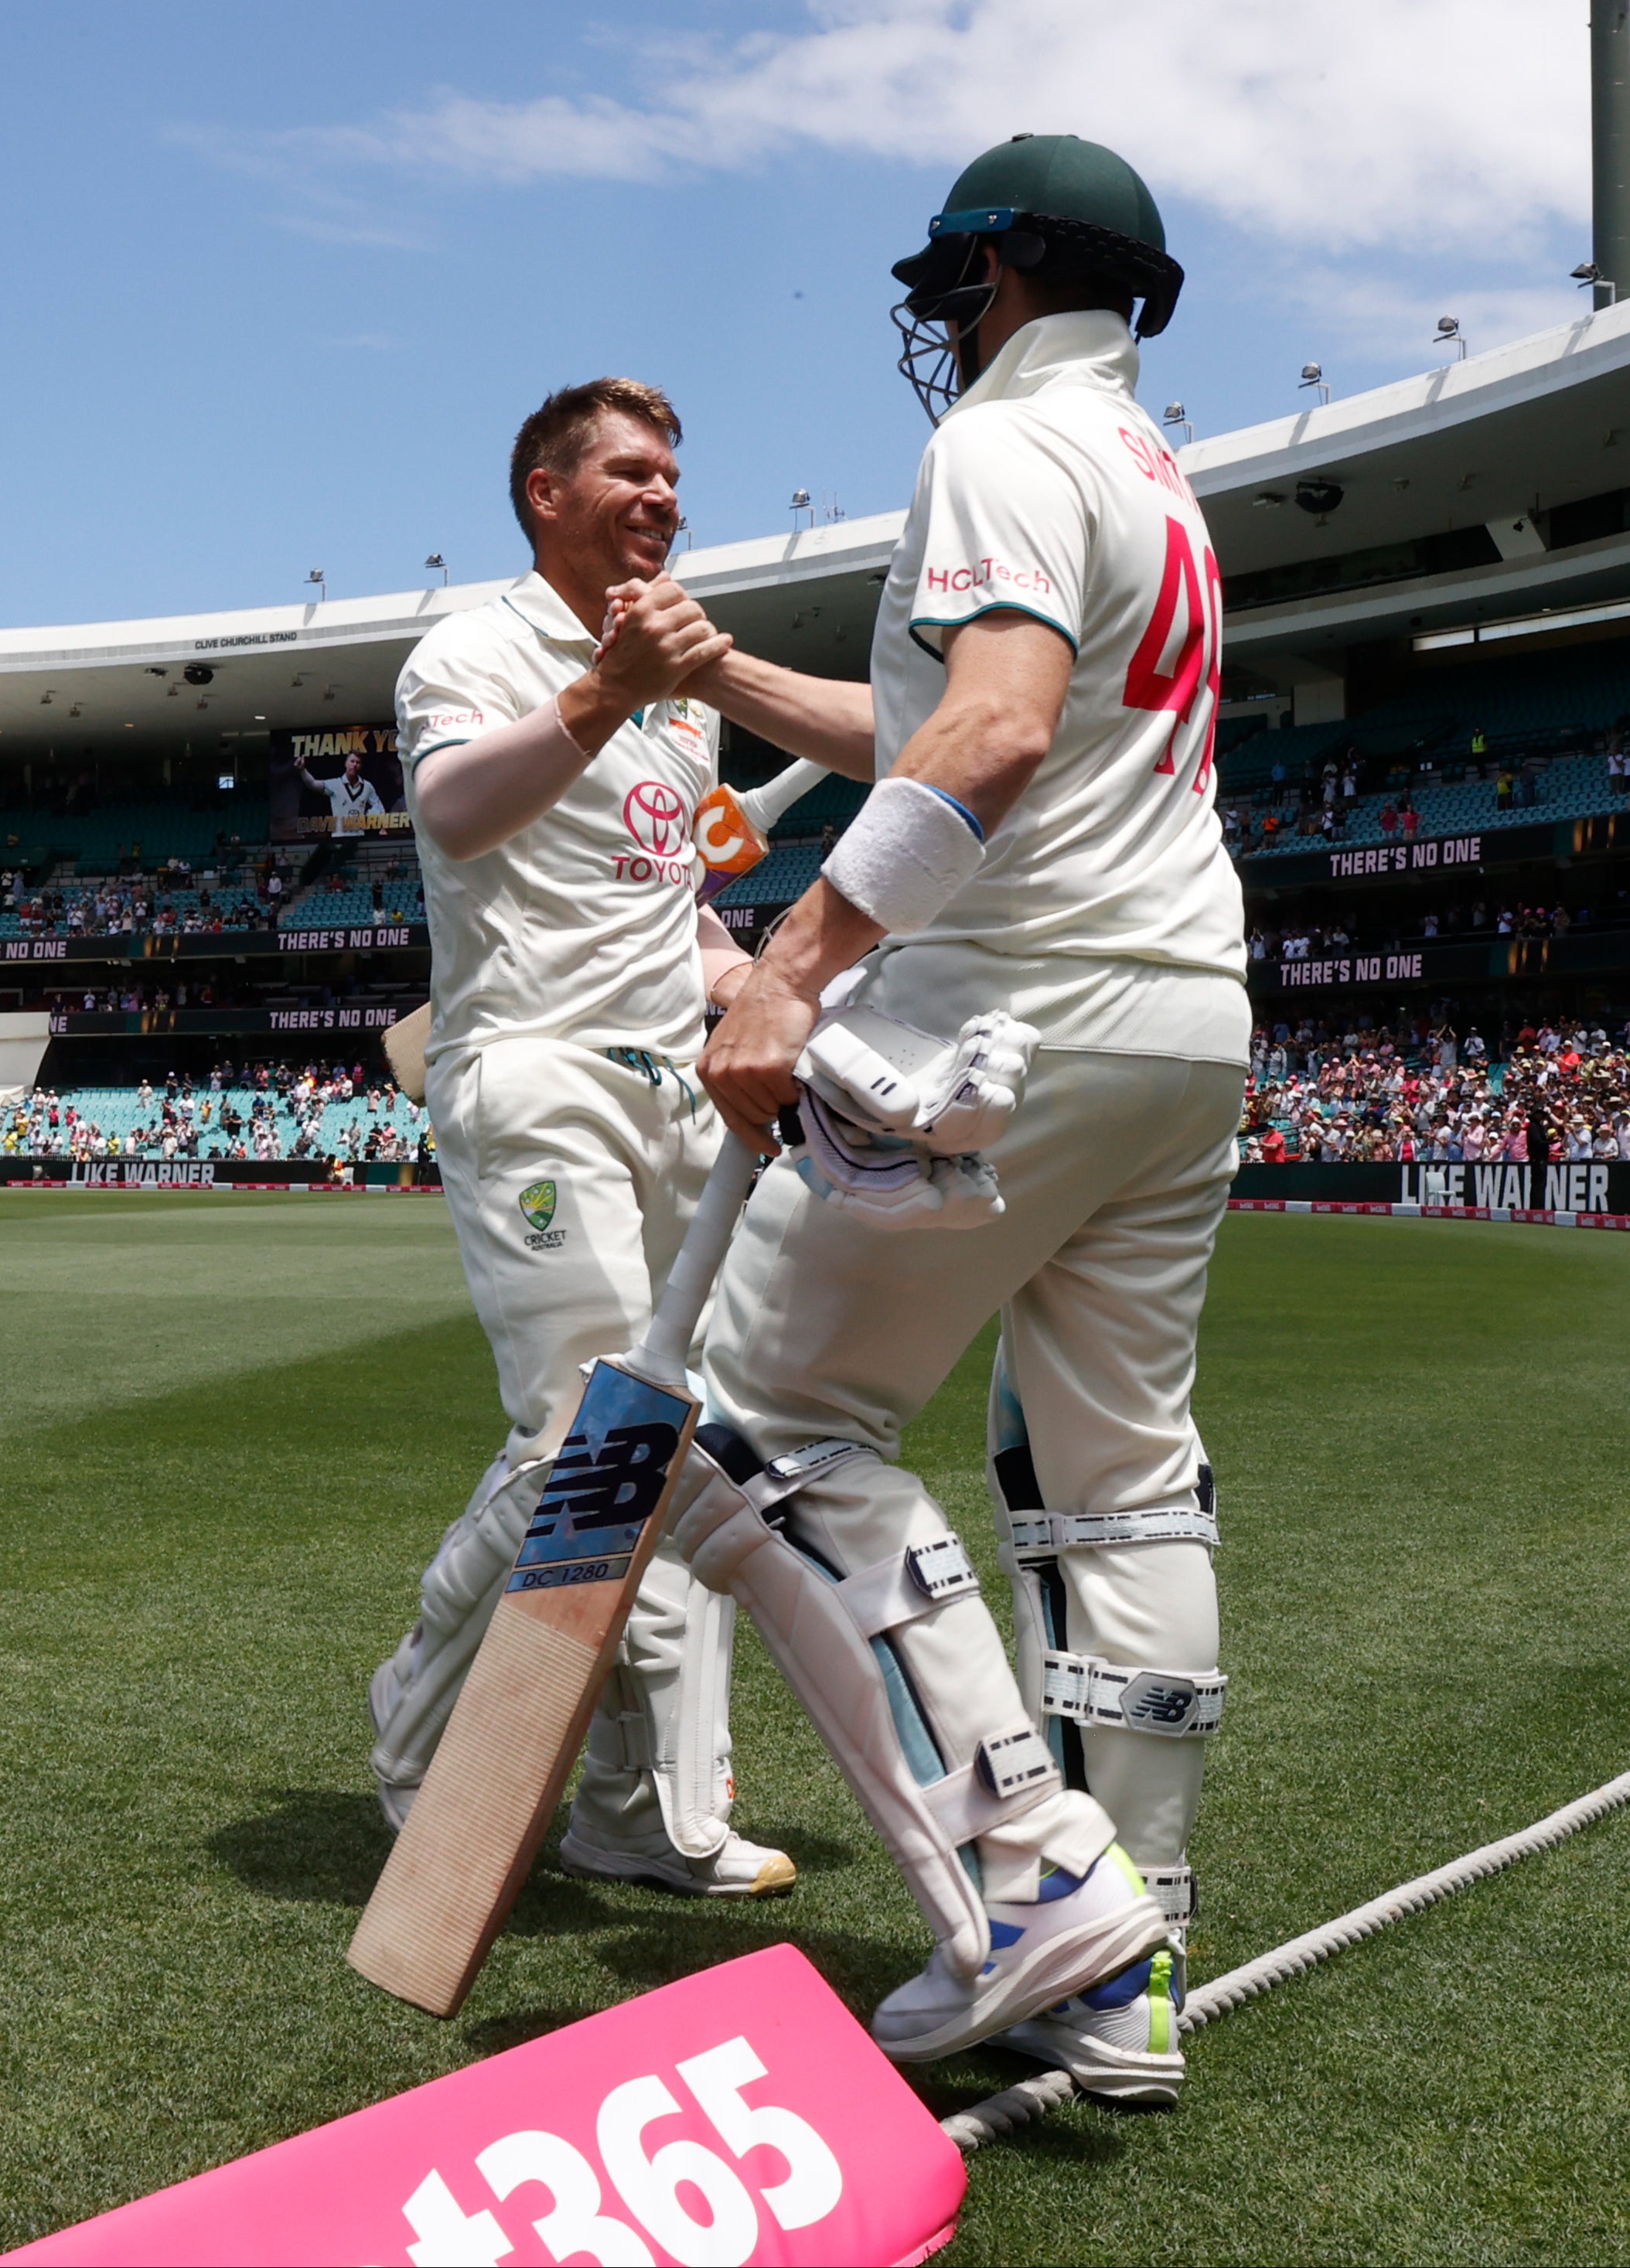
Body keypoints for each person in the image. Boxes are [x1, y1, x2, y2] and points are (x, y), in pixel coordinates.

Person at [667, 134, 1234, 2101]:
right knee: (1119, 1481)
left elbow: (986, 736)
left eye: (949, 278)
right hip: (1183, 1023)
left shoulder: (996, 445)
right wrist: (734, 673)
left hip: (1016, 1016)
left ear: (991, 269)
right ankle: (1135, 1949)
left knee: (756, 1434)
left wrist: (790, 961)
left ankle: (1025, 1889)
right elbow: (951, 716)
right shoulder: (1154, 473)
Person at [363, 377, 794, 1898]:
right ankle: (420, 1735)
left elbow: (670, 906)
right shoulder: (472, 650)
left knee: (680, 1449)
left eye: (676, 472)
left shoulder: (684, 693)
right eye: (632, 469)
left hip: (679, 1092)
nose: (665, 493)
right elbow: (461, 814)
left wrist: (750, 982)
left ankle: (644, 1806)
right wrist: (602, 691)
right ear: (546, 492)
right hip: (532, 1070)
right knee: (585, 1445)